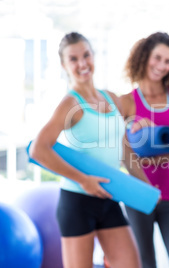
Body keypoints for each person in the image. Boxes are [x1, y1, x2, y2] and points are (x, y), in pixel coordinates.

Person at [29, 32, 144, 268]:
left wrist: (145, 186)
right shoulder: (70, 104)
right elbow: (38, 150)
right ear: (64, 65)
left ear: (93, 56)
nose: (82, 63)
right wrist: (84, 180)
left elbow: (124, 149)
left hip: (109, 197)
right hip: (77, 201)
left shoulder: (111, 98)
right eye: (73, 59)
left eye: (86, 55)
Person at [120, 32, 169, 268]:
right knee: (144, 263)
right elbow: (122, 153)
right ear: (145, 57)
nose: (161, 66)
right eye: (158, 58)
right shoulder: (126, 102)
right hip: (139, 194)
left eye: (168, 61)